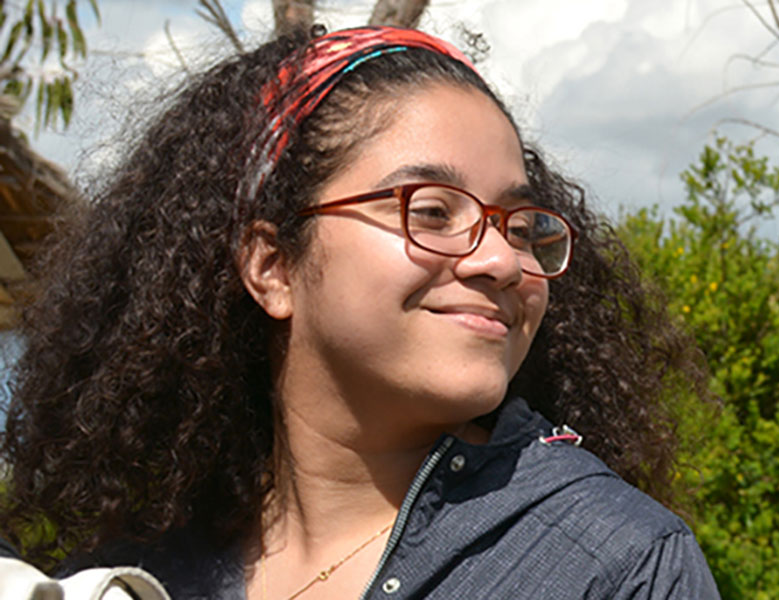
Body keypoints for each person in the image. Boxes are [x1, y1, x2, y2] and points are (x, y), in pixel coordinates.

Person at [0, 25, 719, 599]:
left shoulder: (613, 567)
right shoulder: (133, 579)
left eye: (523, 226)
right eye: (432, 212)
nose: (502, 261)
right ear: (272, 266)